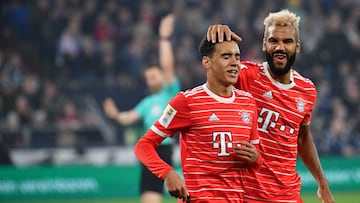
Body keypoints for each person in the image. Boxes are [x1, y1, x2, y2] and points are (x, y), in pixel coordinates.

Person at [206, 9, 335, 203]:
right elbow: (214, 75)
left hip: (288, 195)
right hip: (247, 195)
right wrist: (217, 43)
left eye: (287, 42)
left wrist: (322, 182)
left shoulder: (306, 90)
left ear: (297, 47)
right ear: (264, 44)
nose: (280, 47)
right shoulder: (246, 75)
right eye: (274, 41)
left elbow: (302, 136)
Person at [134, 35, 263, 202]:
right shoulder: (185, 102)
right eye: (226, 56)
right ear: (206, 62)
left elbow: (257, 160)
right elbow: (143, 145)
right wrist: (167, 173)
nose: (234, 62)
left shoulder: (248, 102)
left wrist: (256, 159)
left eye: (237, 57)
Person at [102, 14, 180, 203]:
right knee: (148, 197)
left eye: (154, 76)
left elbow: (167, 66)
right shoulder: (146, 102)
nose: (150, 80)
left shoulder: (170, 91)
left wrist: (163, 39)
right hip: (148, 150)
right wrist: (115, 116)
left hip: (162, 149)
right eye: (148, 77)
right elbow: (128, 118)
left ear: (162, 77)